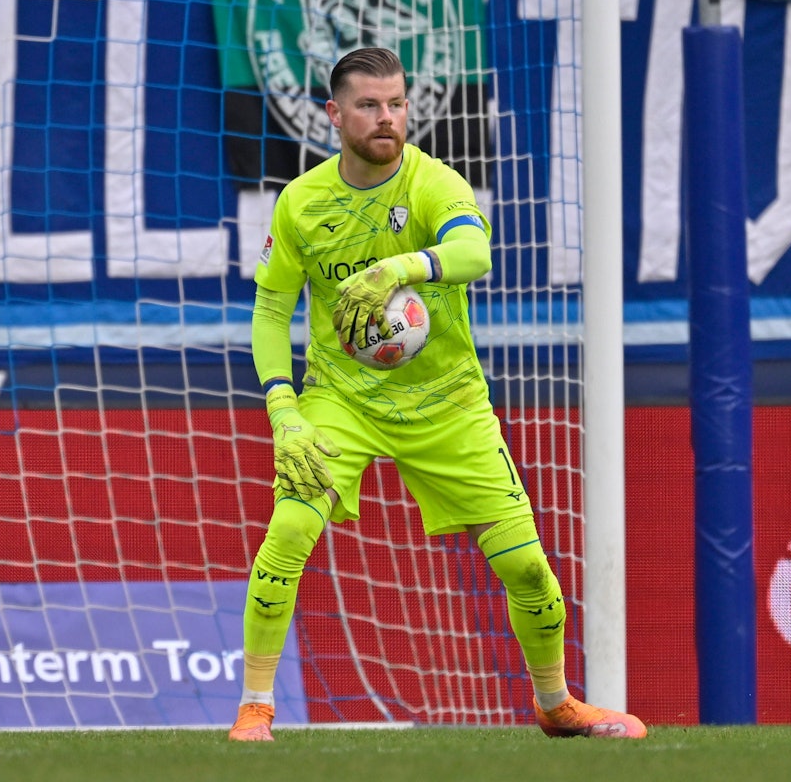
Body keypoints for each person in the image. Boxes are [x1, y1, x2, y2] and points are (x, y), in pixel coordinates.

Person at [227, 47, 646, 742]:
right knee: (291, 527)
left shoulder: (433, 182)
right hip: (342, 399)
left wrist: (397, 268)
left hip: (448, 401)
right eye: (367, 105)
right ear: (333, 115)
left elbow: (475, 253)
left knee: (526, 568)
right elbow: (272, 313)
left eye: (395, 103)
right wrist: (284, 412)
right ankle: (255, 706)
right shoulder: (301, 201)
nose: (385, 118)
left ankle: (555, 703)